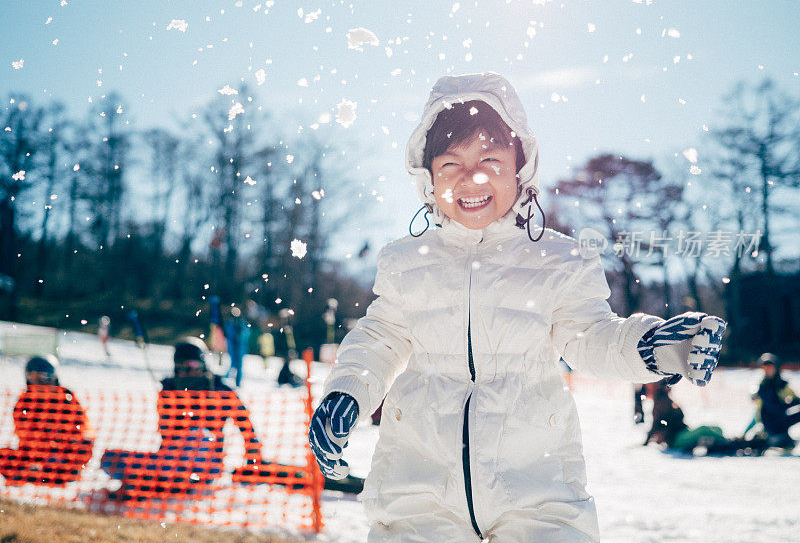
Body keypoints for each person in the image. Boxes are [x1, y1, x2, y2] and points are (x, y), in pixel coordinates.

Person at [308, 73, 727, 542]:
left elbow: (591, 337)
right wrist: (346, 391)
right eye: (450, 164)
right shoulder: (406, 262)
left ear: (520, 167)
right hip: (419, 486)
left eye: (489, 159)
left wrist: (652, 346)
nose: (471, 178)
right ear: (428, 177)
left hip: (535, 486)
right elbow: (379, 340)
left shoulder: (560, 261)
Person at [100, 337, 263, 500]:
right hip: (171, 459)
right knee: (110, 459)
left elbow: (247, 429)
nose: (186, 372)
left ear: (203, 364)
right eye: (181, 367)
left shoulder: (220, 390)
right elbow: (166, 431)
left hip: (206, 462)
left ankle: (159, 482)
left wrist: (252, 461)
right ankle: (157, 481)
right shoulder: (169, 390)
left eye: (192, 366)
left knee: (197, 435)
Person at [0, 355, 95, 486]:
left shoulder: (65, 399)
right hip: (35, 454)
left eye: (41, 377)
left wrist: (60, 444)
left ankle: (49, 473)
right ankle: (33, 472)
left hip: (63, 454)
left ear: (52, 376)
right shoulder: (25, 401)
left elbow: (84, 430)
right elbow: (23, 432)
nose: (36, 381)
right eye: (32, 376)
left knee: (75, 451)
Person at [642, 381, 765, 456]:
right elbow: (656, 424)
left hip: (682, 434)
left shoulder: (667, 400)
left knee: (715, 427)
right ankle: (729, 442)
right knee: (703, 429)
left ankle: (728, 440)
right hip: (675, 440)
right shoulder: (661, 402)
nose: (670, 387)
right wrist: (647, 442)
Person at [743, 353, 800, 450]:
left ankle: (782, 439)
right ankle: (775, 439)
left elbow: (795, 400)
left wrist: (792, 403)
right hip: (770, 423)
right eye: (765, 367)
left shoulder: (782, 385)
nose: (767, 370)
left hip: (782, 420)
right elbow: (764, 410)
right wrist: (744, 433)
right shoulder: (762, 387)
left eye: (770, 367)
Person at [224, 306, 249, 387]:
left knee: (239, 366)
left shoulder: (242, 324)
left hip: (240, 348)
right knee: (231, 364)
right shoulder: (229, 324)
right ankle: (226, 379)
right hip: (233, 348)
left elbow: (246, 335)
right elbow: (228, 334)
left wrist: (240, 332)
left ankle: (237, 382)